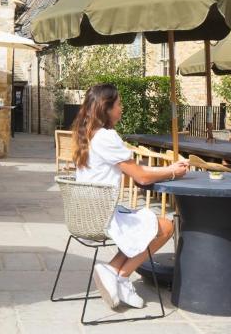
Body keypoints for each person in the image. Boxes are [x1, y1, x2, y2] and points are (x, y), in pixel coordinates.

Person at [71, 84, 188, 310]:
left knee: (141, 226)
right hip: (102, 216)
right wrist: (174, 171)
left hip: (87, 212)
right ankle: (120, 276)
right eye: (118, 104)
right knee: (164, 227)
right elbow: (142, 178)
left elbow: (137, 171)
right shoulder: (106, 137)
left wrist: (167, 168)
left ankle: (114, 273)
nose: (122, 108)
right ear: (106, 108)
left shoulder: (87, 134)